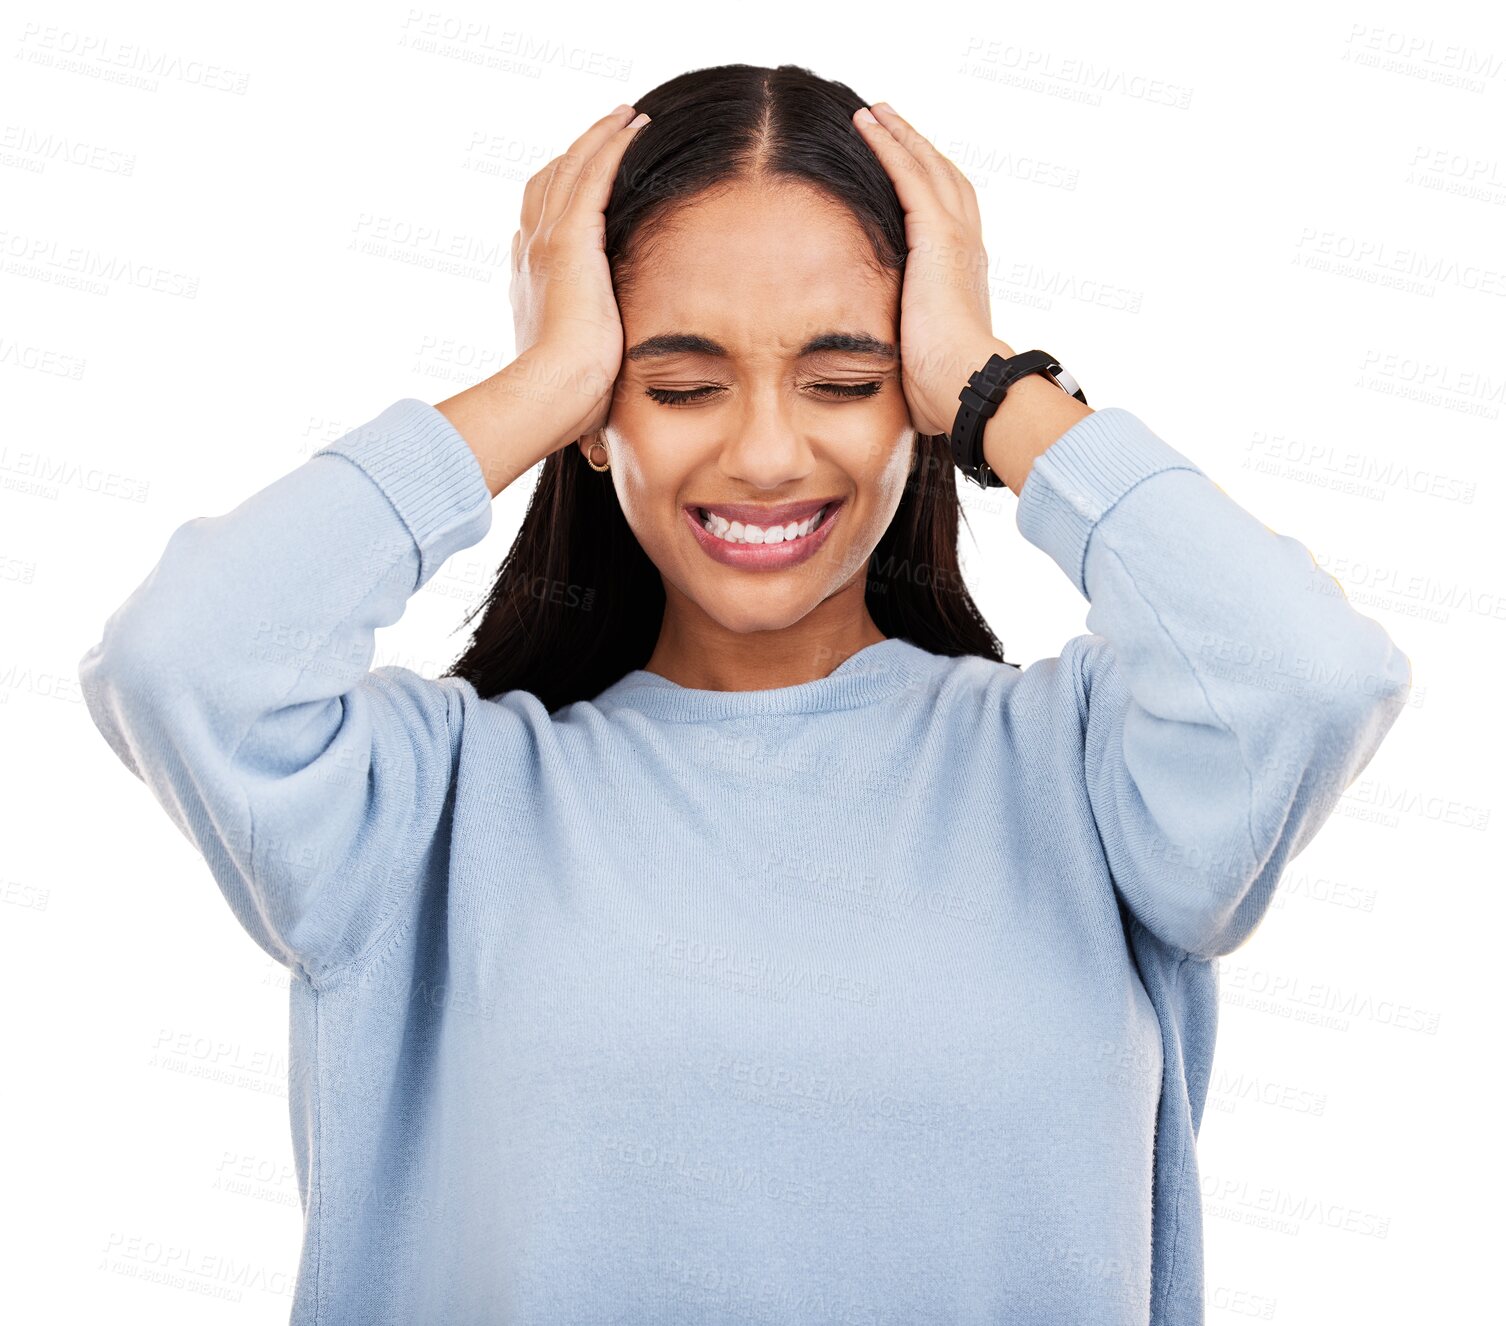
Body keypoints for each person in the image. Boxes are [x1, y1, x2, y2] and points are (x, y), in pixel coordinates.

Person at [78, 65, 1412, 1325]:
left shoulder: (1085, 775)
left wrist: (997, 389)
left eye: (844, 379)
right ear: (598, 412)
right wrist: (537, 386)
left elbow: (1306, 673)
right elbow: (183, 659)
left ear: (919, 406)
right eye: (677, 382)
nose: (766, 451)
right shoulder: (424, 808)